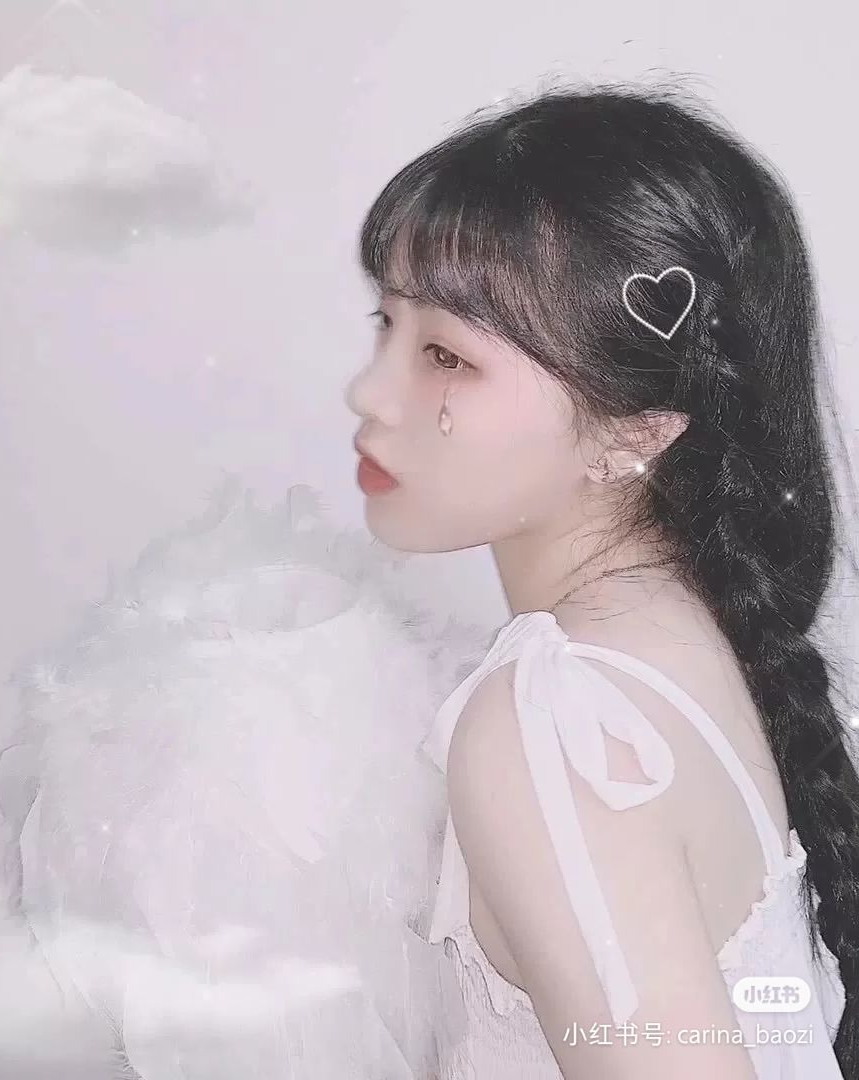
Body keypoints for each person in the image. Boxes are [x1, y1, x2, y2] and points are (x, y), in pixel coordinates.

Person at [344, 82, 859, 1079]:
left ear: (637, 431)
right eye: (386, 323)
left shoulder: (559, 719)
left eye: (445, 353)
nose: (368, 392)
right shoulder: (689, 636)